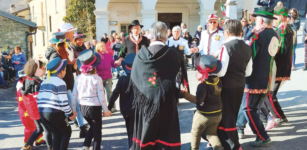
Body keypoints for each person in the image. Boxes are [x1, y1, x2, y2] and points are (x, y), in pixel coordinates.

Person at [130, 21, 186, 150]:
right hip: (166, 100)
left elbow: (135, 79)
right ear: (166, 36)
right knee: (167, 136)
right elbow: (178, 79)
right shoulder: (174, 55)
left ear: (150, 35)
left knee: (147, 135)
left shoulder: (140, 55)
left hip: (146, 101)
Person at [236, 7, 279, 147]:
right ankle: (240, 127)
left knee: (248, 108)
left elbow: (249, 56)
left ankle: (262, 136)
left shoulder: (258, 36)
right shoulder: (275, 34)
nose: (254, 21)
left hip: (253, 79)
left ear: (260, 20)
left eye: (256, 19)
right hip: (266, 77)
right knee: (248, 107)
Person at [217, 20, 253, 150]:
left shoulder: (226, 46)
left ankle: (232, 144)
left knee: (225, 116)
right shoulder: (247, 47)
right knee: (233, 114)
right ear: (240, 32)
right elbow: (248, 72)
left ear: (226, 32)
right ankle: (232, 143)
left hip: (226, 85)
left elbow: (221, 71)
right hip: (240, 84)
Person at [46, 32, 88, 138]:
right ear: (60, 45)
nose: (66, 45)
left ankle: (80, 127)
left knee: (72, 106)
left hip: (68, 83)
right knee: (73, 106)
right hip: (64, 85)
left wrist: (72, 65)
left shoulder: (61, 52)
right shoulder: (56, 55)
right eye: (64, 43)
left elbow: (69, 69)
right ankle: (77, 128)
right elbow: (57, 72)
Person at [181, 55, 223, 150]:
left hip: (204, 115)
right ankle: (219, 148)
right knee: (211, 134)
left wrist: (185, 95)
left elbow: (198, 100)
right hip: (217, 114)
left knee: (196, 132)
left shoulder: (203, 86)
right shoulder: (219, 81)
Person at [72, 50, 112, 150]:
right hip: (94, 107)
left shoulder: (78, 78)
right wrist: (106, 110)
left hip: (82, 107)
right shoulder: (96, 79)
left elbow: (74, 95)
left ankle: (85, 146)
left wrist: (73, 110)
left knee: (93, 127)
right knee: (97, 131)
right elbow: (102, 97)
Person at [262, 6, 293, 127]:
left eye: (275, 17)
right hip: (282, 65)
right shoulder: (284, 28)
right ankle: (279, 116)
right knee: (270, 94)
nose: (273, 20)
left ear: (280, 16)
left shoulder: (283, 29)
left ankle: (279, 116)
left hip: (280, 66)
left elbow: (281, 50)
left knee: (270, 94)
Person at [37, 57, 77, 150]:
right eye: (65, 69)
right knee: (67, 131)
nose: (65, 72)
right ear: (61, 71)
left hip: (42, 112)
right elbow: (63, 102)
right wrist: (70, 114)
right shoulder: (60, 82)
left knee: (56, 133)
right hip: (54, 113)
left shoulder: (44, 81)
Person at [21, 59, 52, 150]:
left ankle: (27, 146)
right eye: (42, 68)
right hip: (39, 111)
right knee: (47, 130)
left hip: (33, 111)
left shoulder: (27, 80)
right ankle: (51, 147)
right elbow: (39, 98)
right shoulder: (35, 83)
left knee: (40, 129)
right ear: (37, 69)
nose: (44, 69)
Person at [108, 54, 136, 149]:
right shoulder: (140, 78)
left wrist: (109, 107)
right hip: (137, 108)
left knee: (129, 129)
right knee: (136, 129)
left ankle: (131, 146)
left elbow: (115, 93)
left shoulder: (122, 79)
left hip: (125, 109)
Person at [16, 69, 46, 148]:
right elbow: (22, 102)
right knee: (29, 127)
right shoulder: (21, 88)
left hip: (29, 110)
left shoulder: (24, 85)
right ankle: (27, 144)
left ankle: (38, 140)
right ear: (23, 78)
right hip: (26, 111)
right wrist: (29, 110)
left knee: (36, 126)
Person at [165, 26, 192, 102]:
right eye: (175, 31)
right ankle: (172, 96)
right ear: (172, 32)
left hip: (179, 64)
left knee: (178, 80)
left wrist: (191, 50)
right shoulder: (168, 41)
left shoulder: (184, 41)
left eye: (178, 31)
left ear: (180, 33)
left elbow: (187, 52)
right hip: (170, 64)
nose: (176, 33)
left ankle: (177, 96)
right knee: (171, 80)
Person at [95, 42, 118, 113]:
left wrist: (117, 62)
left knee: (109, 92)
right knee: (101, 93)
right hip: (99, 77)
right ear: (98, 47)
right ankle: (101, 108)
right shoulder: (95, 56)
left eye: (104, 46)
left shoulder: (108, 55)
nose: (103, 47)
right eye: (101, 46)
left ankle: (112, 107)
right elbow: (94, 67)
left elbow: (113, 64)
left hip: (108, 77)